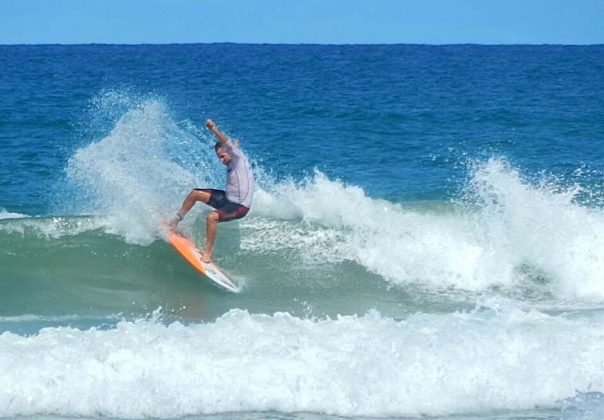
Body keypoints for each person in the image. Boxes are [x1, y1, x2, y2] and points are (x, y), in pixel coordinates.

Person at [170, 119, 254, 263]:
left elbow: (227, 144)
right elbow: (229, 146)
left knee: (212, 217)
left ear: (230, 152)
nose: (221, 160)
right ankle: (175, 221)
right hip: (228, 199)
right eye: (219, 158)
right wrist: (232, 145)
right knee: (195, 194)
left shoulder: (239, 159)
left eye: (222, 156)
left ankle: (208, 253)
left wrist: (213, 130)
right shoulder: (232, 159)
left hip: (240, 206)